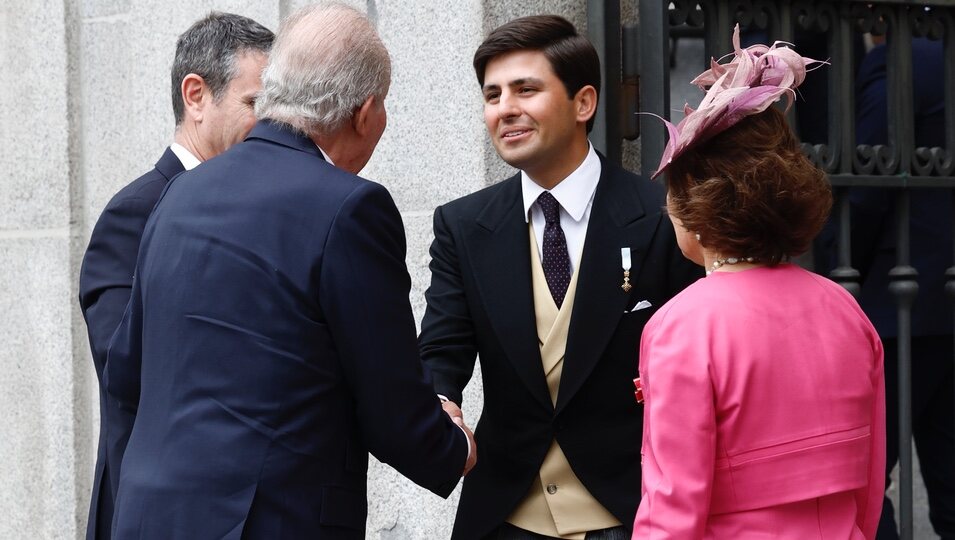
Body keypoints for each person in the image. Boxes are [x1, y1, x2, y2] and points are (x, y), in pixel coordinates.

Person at [103, 4, 475, 538]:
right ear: (366, 112)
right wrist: (454, 443)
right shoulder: (350, 207)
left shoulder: (180, 191)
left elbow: (125, 370)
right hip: (270, 520)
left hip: (149, 516)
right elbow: (394, 411)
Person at [419, 15, 701, 540]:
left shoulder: (662, 215)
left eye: (526, 89)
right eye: (493, 94)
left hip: (628, 511)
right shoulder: (461, 225)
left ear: (584, 103)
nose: (505, 109)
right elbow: (441, 351)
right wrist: (442, 409)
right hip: (504, 513)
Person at [633, 26, 885, 538]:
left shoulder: (681, 325)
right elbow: (869, 480)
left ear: (693, 204)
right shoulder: (843, 307)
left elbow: (672, 507)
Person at [77, 12, 273, 540]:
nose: (274, 125)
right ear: (196, 96)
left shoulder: (262, 211)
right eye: (256, 104)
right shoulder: (134, 213)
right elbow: (126, 369)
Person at [848, 37, 954, 540]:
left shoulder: (901, 60)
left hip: (896, 298)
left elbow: (870, 178)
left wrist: (842, 269)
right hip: (939, 292)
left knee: (860, 483)